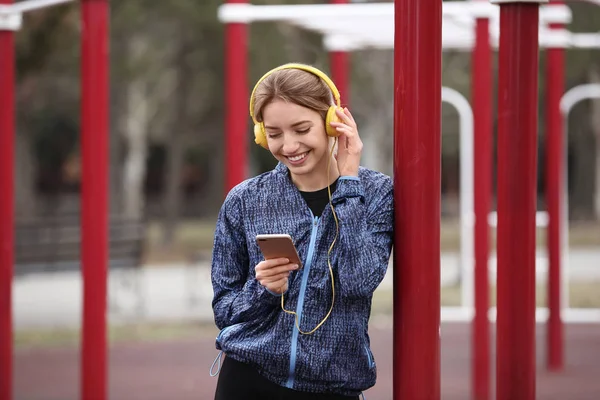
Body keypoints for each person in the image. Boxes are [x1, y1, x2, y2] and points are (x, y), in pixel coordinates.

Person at [210, 63, 394, 400]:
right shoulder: (245, 200)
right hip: (248, 382)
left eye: (301, 129)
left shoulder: (376, 193)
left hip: (333, 386)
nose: (289, 146)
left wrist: (349, 182)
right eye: (275, 133)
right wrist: (262, 287)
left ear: (331, 122)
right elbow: (225, 312)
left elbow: (358, 281)